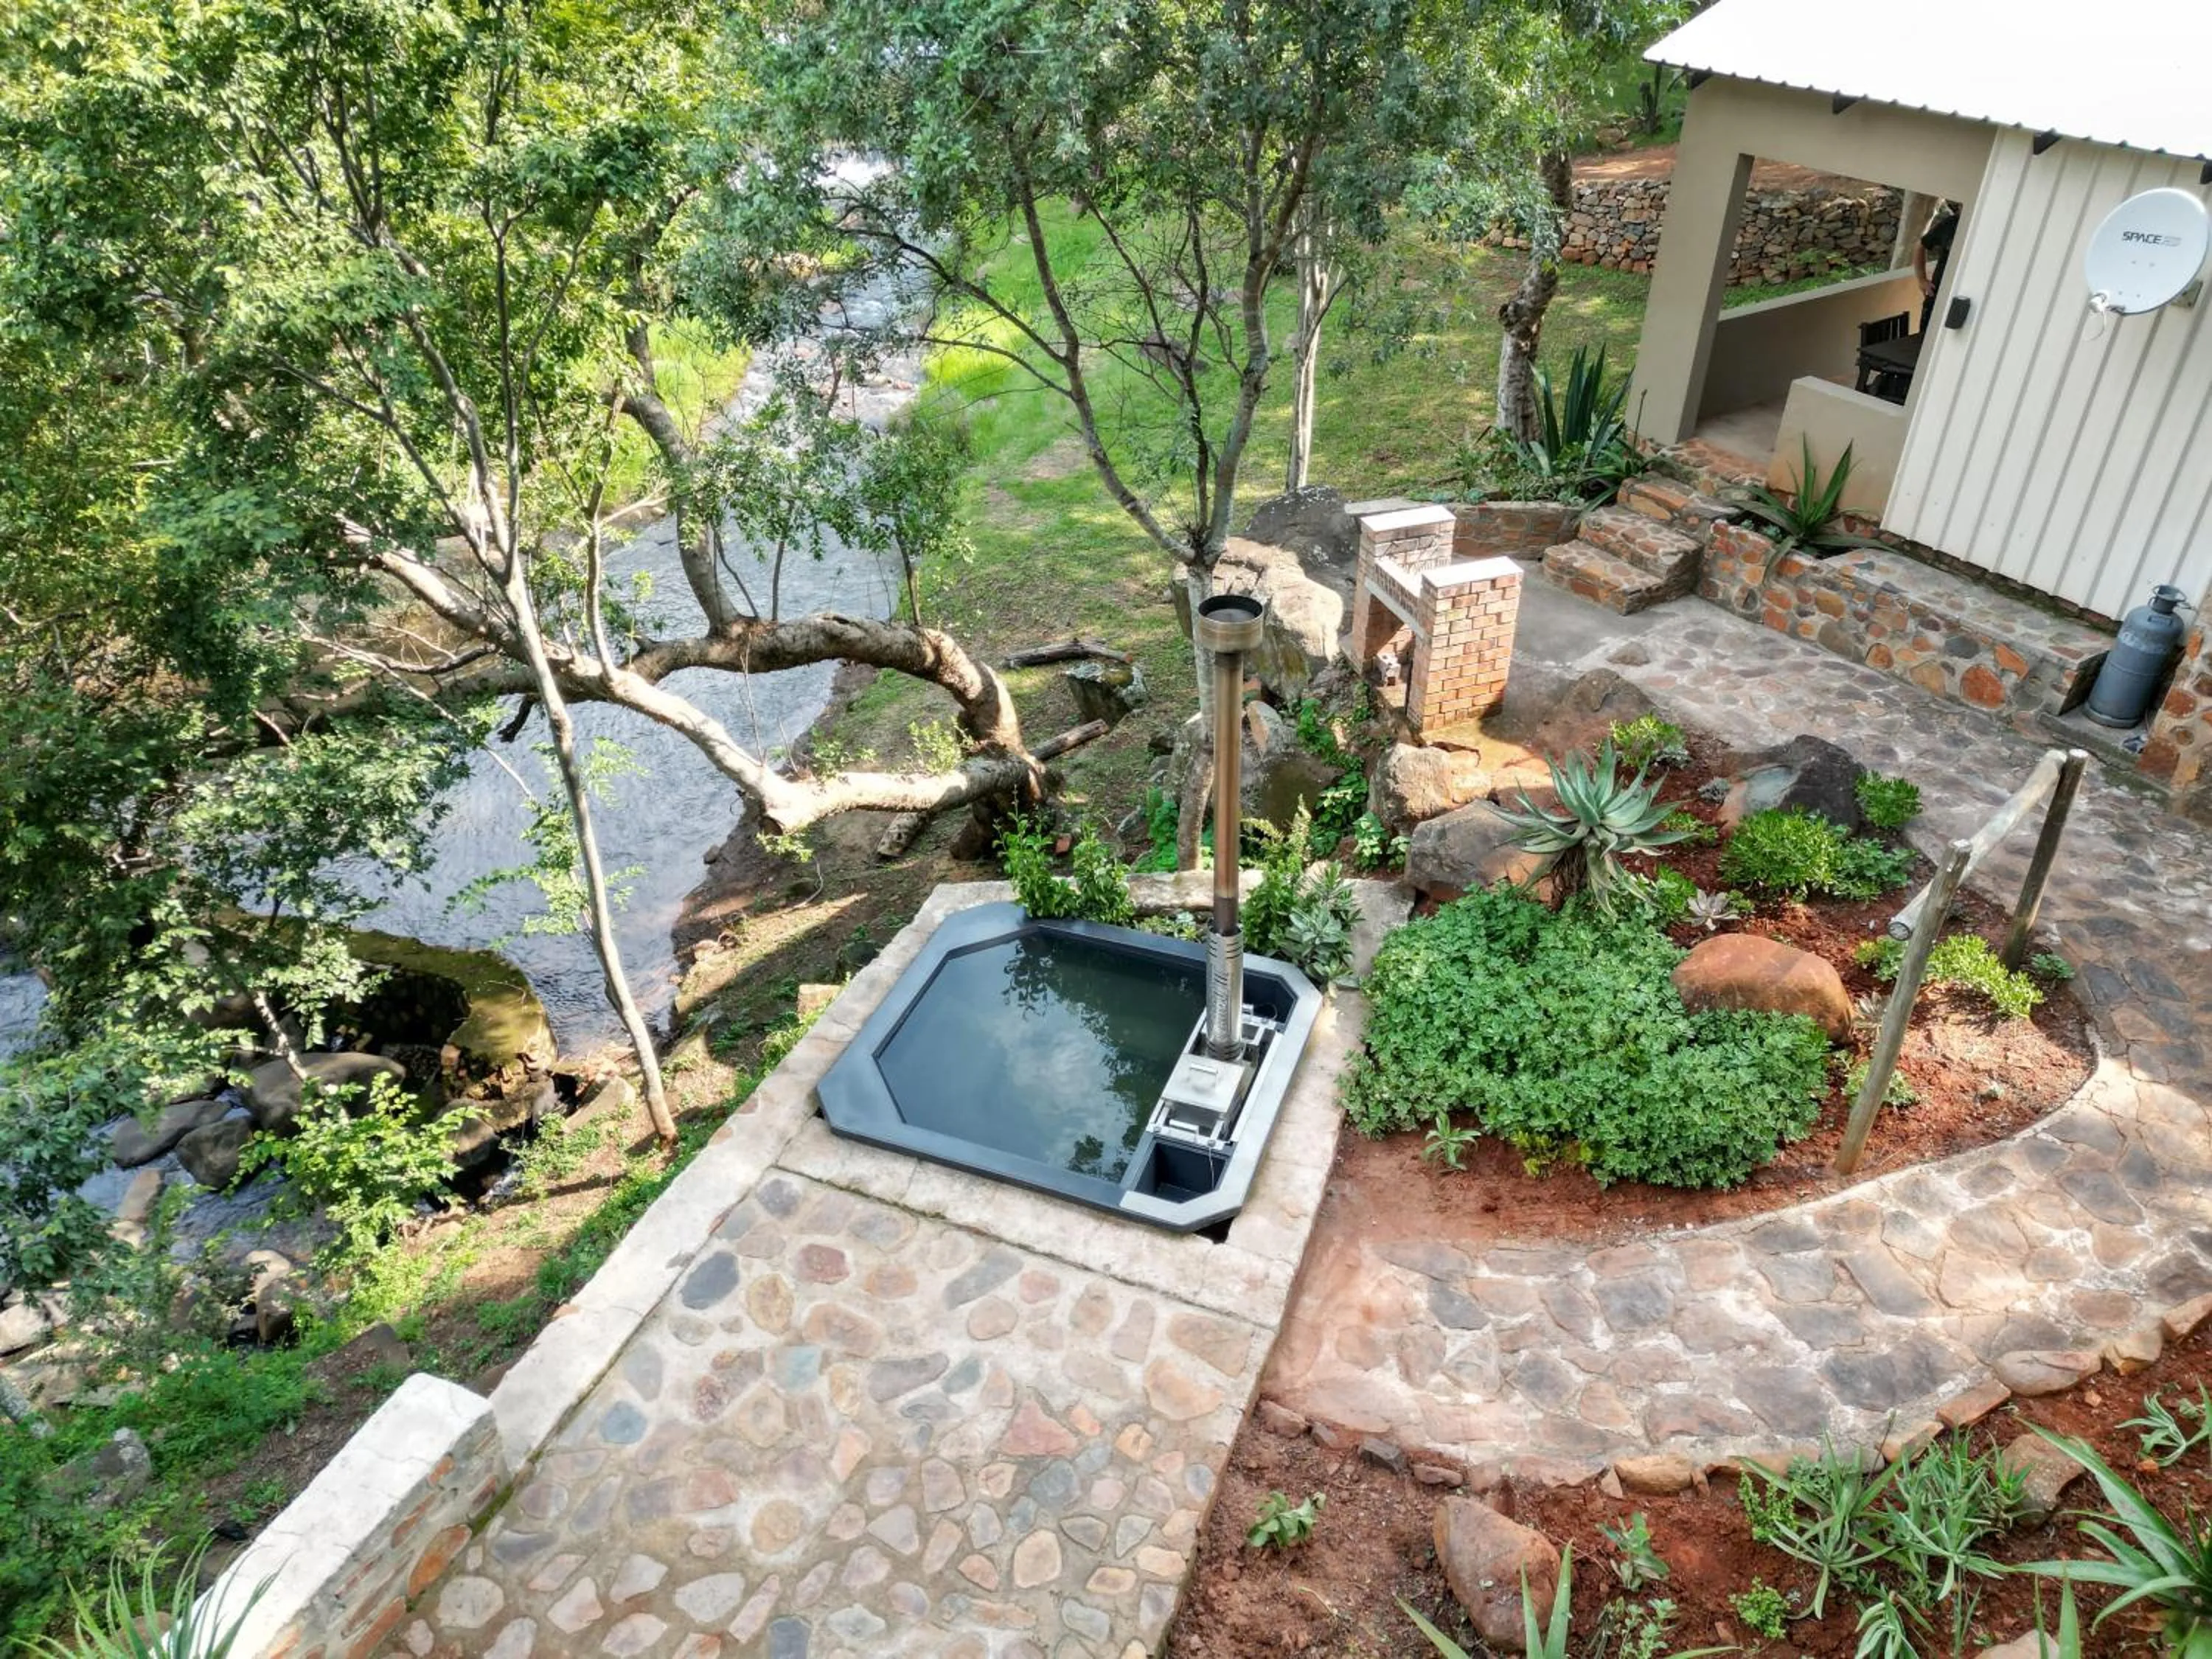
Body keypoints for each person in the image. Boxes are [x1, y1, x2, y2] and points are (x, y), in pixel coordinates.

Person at [1913, 201, 1961, 330]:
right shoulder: (1951, 223)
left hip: (1961, 298)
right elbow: (1920, 245)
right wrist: (1922, 280)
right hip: (1937, 294)